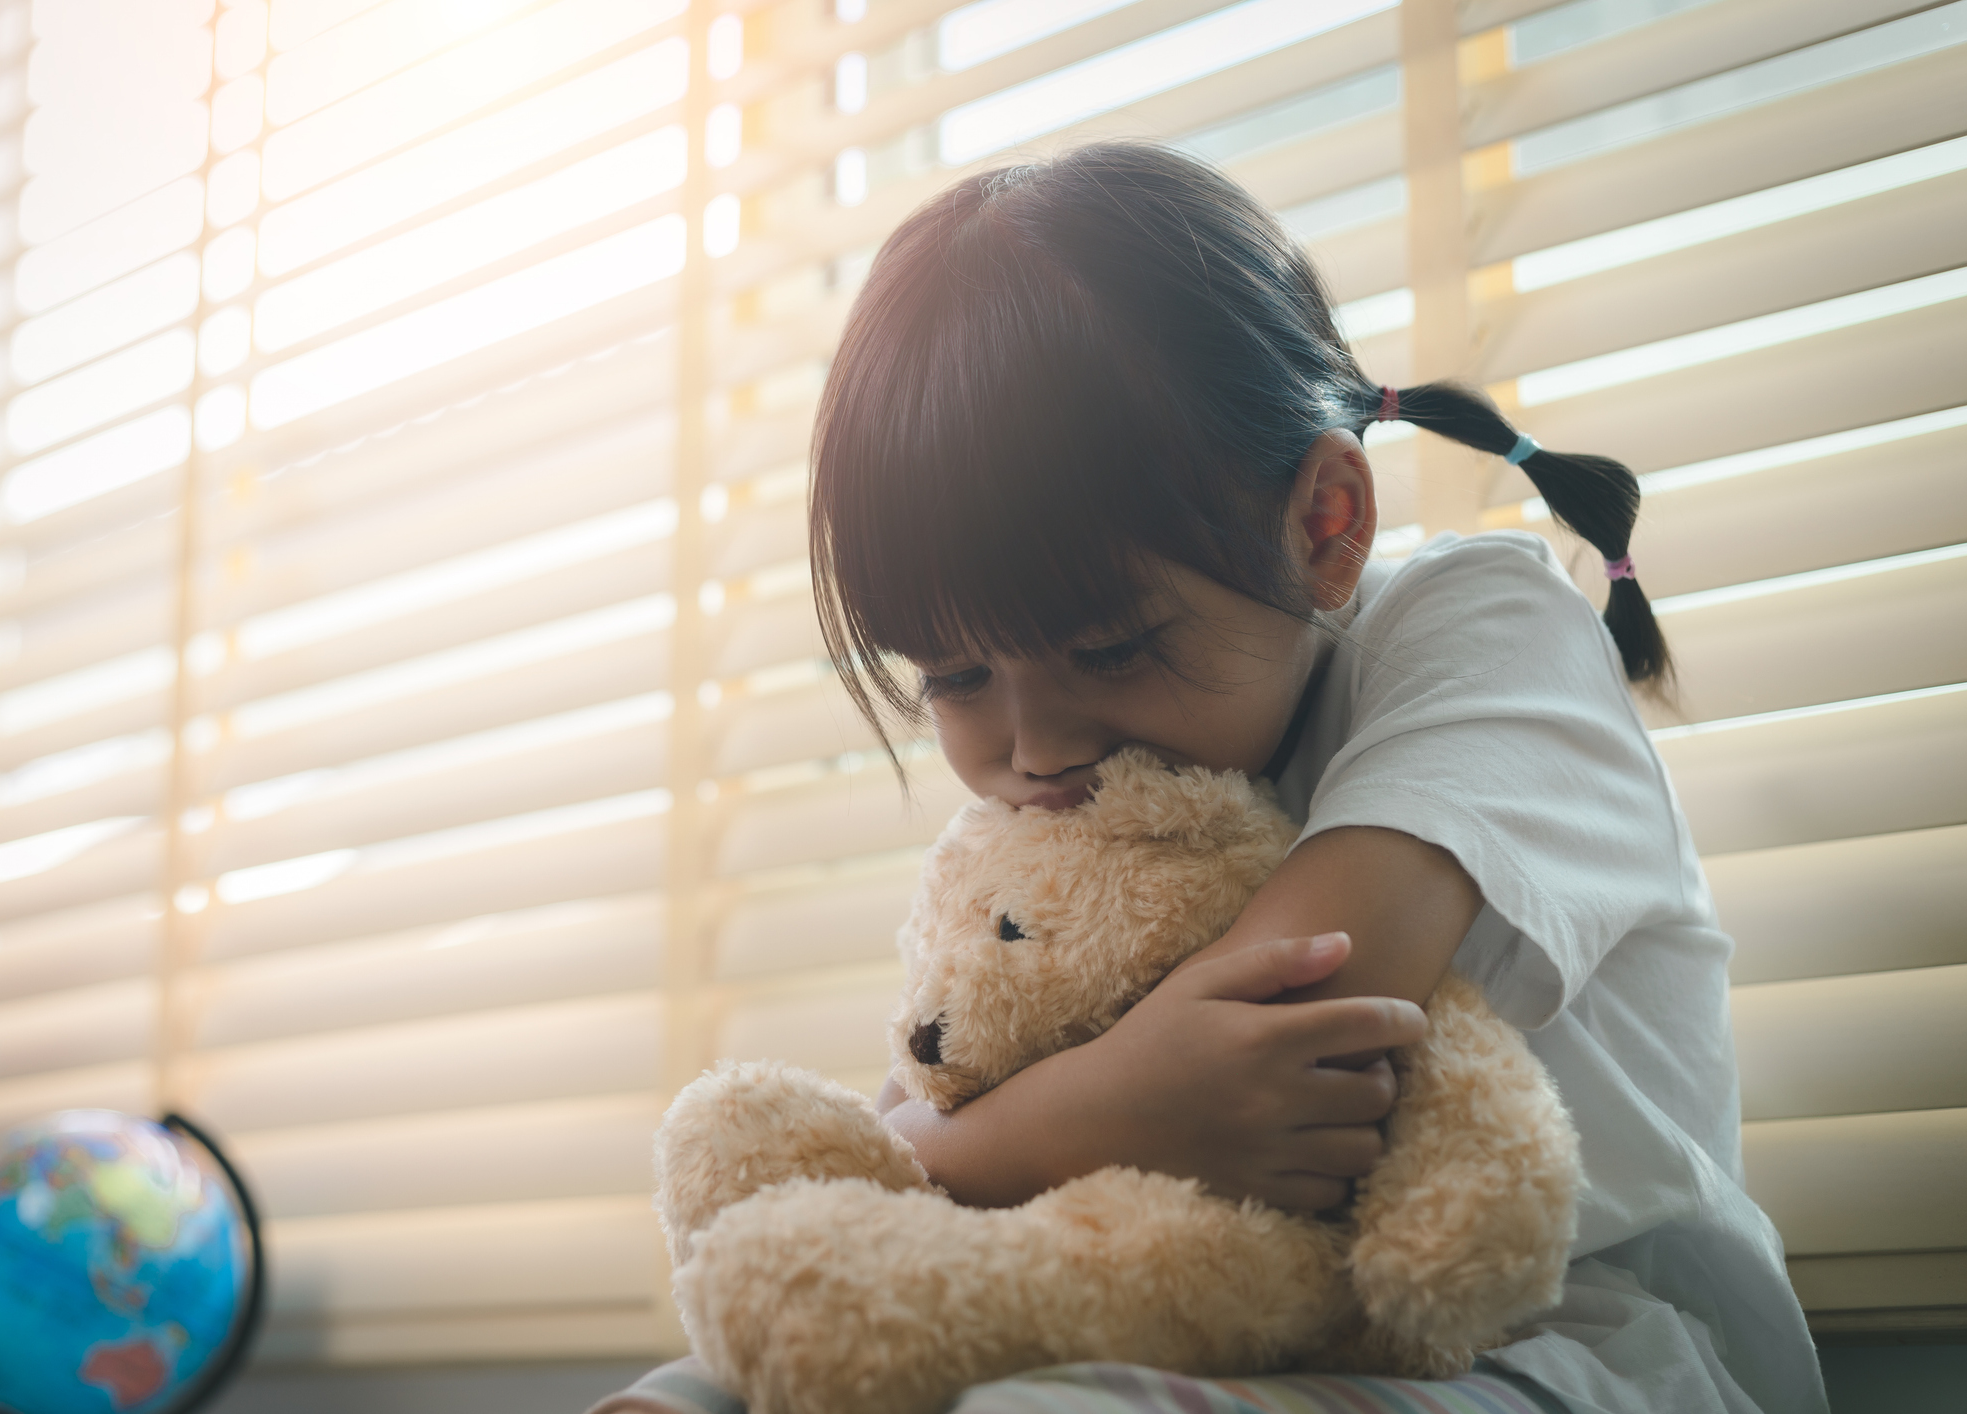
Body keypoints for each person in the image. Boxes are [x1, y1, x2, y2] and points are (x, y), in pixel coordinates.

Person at [593, 143, 1827, 1414]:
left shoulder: (1486, 625)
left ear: (1324, 526)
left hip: (1578, 1336)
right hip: (1191, 1302)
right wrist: (1040, 1126)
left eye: (1113, 648)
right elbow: (946, 1117)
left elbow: (1293, 1015)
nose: (1037, 753)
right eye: (956, 679)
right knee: (724, 1377)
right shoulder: (1052, 806)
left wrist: (1014, 1131)